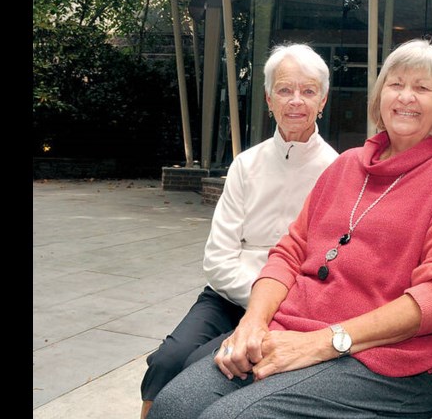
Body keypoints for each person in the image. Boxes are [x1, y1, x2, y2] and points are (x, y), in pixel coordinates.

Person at [147, 38, 432, 419]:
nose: (406, 96)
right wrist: (252, 323)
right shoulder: (345, 166)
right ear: (379, 97)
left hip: (390, 362)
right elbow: (288, 253)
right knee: (173, 405)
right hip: (292, 332)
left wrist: (322, 343)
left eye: (422, 87)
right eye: (396, 84)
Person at [139, 43, 339, 418]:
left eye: (308, 91)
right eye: (284, 90)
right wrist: (256, 303)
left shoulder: (337, 171)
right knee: (168, 359)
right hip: (227, 295)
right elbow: (217, 257)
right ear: (268, 98)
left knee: (204, 364)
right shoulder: (246, 165)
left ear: (323, 100)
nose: (296, 100)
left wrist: (269, 309)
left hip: (289, 306)